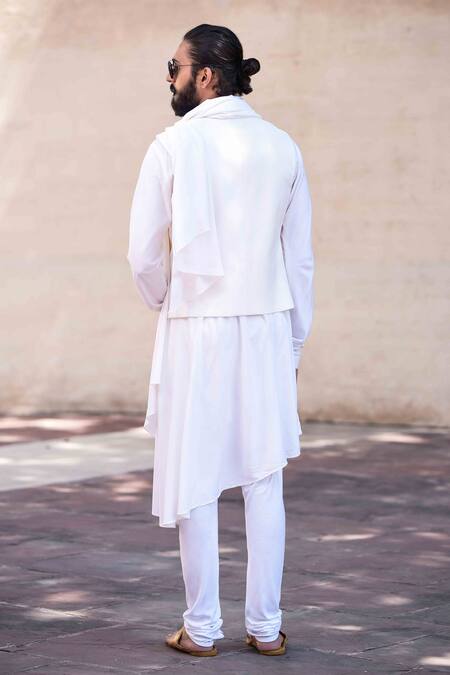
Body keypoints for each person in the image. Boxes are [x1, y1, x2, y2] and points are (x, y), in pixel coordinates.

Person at [127, 24, 314, 657]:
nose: (170, 78)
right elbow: (300, 259)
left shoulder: (172, 145)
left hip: (196, 326)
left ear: (204, 75)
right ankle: (266, 627)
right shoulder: (283, 146)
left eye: (174, 66)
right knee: (265, 476)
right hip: (265, 323)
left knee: (197, 472)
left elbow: (143, 254)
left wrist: (166, 301)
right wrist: (295, 339)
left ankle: (202, 628)